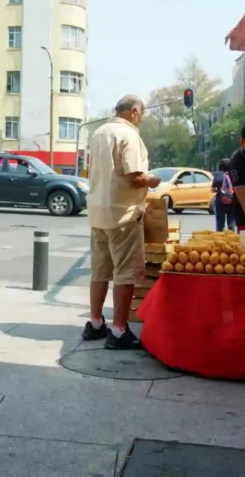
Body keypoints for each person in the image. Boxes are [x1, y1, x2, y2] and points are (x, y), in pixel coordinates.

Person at [83, 95, 158, 350]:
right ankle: (118, 329)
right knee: (125, 274)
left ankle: (94, 323)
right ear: (135, 112)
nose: (142, 119)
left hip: (97, 212)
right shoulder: (129, 135)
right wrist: (152, 180)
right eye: (142, 114)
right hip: (123, 214)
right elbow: (133, 177)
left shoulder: (98, 132)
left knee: (100, 271)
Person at [211, 158, 236, 232]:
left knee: (220, 223)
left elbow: (212, 189)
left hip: (220, 202)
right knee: (231, 222)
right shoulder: (233, 175)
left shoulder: (218, 175)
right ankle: (231, 238)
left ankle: (220, 238)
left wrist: (219, 191)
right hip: (232, 202)